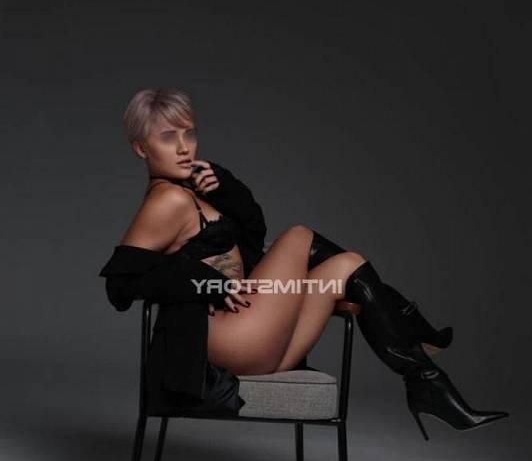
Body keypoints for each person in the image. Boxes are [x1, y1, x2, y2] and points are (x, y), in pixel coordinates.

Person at [100, 87, 509, 434]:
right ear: (141, 148)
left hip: (258, 339)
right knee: (298, 236)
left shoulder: (192, 189)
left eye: (189, 133)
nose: (184, 147)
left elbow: (253, 235)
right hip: (229, 340)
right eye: (168, 137)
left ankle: (426, 383)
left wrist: (223, 188)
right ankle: (408, 325)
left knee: (346, 265)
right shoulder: (168, 199)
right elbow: (120, 284)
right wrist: (208, 282)